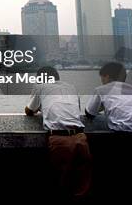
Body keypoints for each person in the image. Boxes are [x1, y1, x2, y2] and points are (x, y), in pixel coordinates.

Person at [25, 66, 92, 199]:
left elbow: (29, 110)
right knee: (82, 184)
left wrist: (40, 107)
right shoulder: (71, 87)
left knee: (61, 181)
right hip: (80, 136)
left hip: (60, 138)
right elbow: (76, 110)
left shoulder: (41, 87)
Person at [85, 61, 132, 134]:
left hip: (120, 130)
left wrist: (100, 108)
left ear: (107, 76)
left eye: (102, 78)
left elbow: (89, 113)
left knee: (86, 119)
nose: (102, 82)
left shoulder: (102, 89)